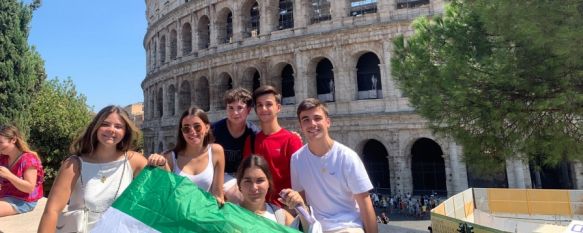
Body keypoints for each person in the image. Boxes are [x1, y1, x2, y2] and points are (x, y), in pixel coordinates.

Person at [38, 105, 148, 232]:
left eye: (118, 126)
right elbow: (52, 211)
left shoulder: (135, 161)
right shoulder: (74, 165)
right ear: (95, 127)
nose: (111, 130)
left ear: (125, 132)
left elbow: (163, 195)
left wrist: (161, 164)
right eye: (105, 124)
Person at [282, 98, 378, 233]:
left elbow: (365, 205)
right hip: (316, 227)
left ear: (328, 122)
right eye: (306, 120)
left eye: (317, 118)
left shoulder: (347, 157)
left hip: (348, 226)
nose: (312, 124)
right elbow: (301, 202)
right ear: (301, 126)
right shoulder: (297, 159)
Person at [148, 106, 225, 204]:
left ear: (206, 127)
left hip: (205, 213)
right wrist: (158, 163)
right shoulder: (170, 158)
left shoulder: (216, 151)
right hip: (178, 214)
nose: (192, 132)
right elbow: (166, 193)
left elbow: (218, 194)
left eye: (197, 127)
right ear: (182, 132)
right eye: (186, 129)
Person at [242, 85, 302, 207]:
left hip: (285, 208)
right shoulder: (251, 140)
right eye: (259, 105)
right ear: (256, 109)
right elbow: (247, 175)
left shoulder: (292, 140)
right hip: (259, 208)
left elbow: (301, 180)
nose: (264, 109)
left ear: (278, 107)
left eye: (269, 104)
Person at [211, 88, 259, 203]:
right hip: (219, 175)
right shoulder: (215, 130)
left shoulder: (253, 132)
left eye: (240, 108)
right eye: (230, 108)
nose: (235, 113)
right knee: (240, 199)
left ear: (248, 110)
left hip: (241, 177)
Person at [236, 155, 307, 230]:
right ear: (239, 184)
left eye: (260, 180)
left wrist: (303, 211)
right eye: (248, 181)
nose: (254, 187)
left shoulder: (281, 217)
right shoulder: (229, 215)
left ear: (268, 183)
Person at [0, 124, 44, 217]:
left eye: (0, 142)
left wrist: (8, 175)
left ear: (13, 140)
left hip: (23, 201)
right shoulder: (3, 158)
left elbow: (29, 188)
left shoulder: (29, 159)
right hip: (5, 196)